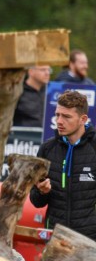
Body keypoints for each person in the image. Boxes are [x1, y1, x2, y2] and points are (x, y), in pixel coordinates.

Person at [30, 90, 96, 241]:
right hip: (55, 238)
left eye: (66, 116)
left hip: (90, 240)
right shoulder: (46, 149)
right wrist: (42, 192)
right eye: (57, 114)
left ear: (83, 119)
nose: (59, 121)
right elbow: (35, 201)